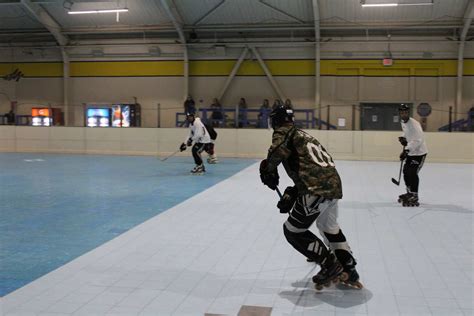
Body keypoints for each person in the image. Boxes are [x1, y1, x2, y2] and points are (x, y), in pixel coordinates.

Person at [259, 104, 362, 290]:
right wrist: (293, 192)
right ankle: (349, 267)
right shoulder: (304, 135)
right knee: (329, 227)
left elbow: (277, 151)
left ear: (276, 120)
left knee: (293, 231)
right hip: (333, 186)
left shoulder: (284, 132)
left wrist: (268, 169)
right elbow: (311, 167)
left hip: (316, 189)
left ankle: (330, 265)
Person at [397, 104, 428, 207]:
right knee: (406, 171)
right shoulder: (403, 122)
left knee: (412, 172)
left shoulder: (414, 124)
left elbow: (418, 140)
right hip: (411, 152)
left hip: (419, 153)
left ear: (408, 113)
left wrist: (406, 150)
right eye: (402, 113)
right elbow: (407, 133)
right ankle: (409, 192)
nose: (403, 114)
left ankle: (415, 195)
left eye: (405, 112)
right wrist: (403, 138)